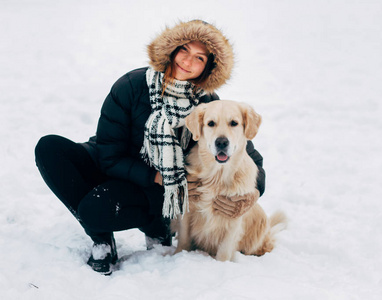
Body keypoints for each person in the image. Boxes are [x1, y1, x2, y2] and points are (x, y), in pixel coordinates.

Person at [34, 20, 266, 275]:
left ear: (207, 68)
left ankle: (155, 227)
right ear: (173, 49)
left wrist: (254, 192)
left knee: (95, 208)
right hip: (121, 166)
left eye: (199, 58)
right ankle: (102, 239)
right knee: (50, 148)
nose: (187, 62)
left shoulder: (207, 105)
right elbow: (108, 154)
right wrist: (157, 176)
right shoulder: (132, 85)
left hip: (156, 193)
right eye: (184, 50)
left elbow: (247, 153)